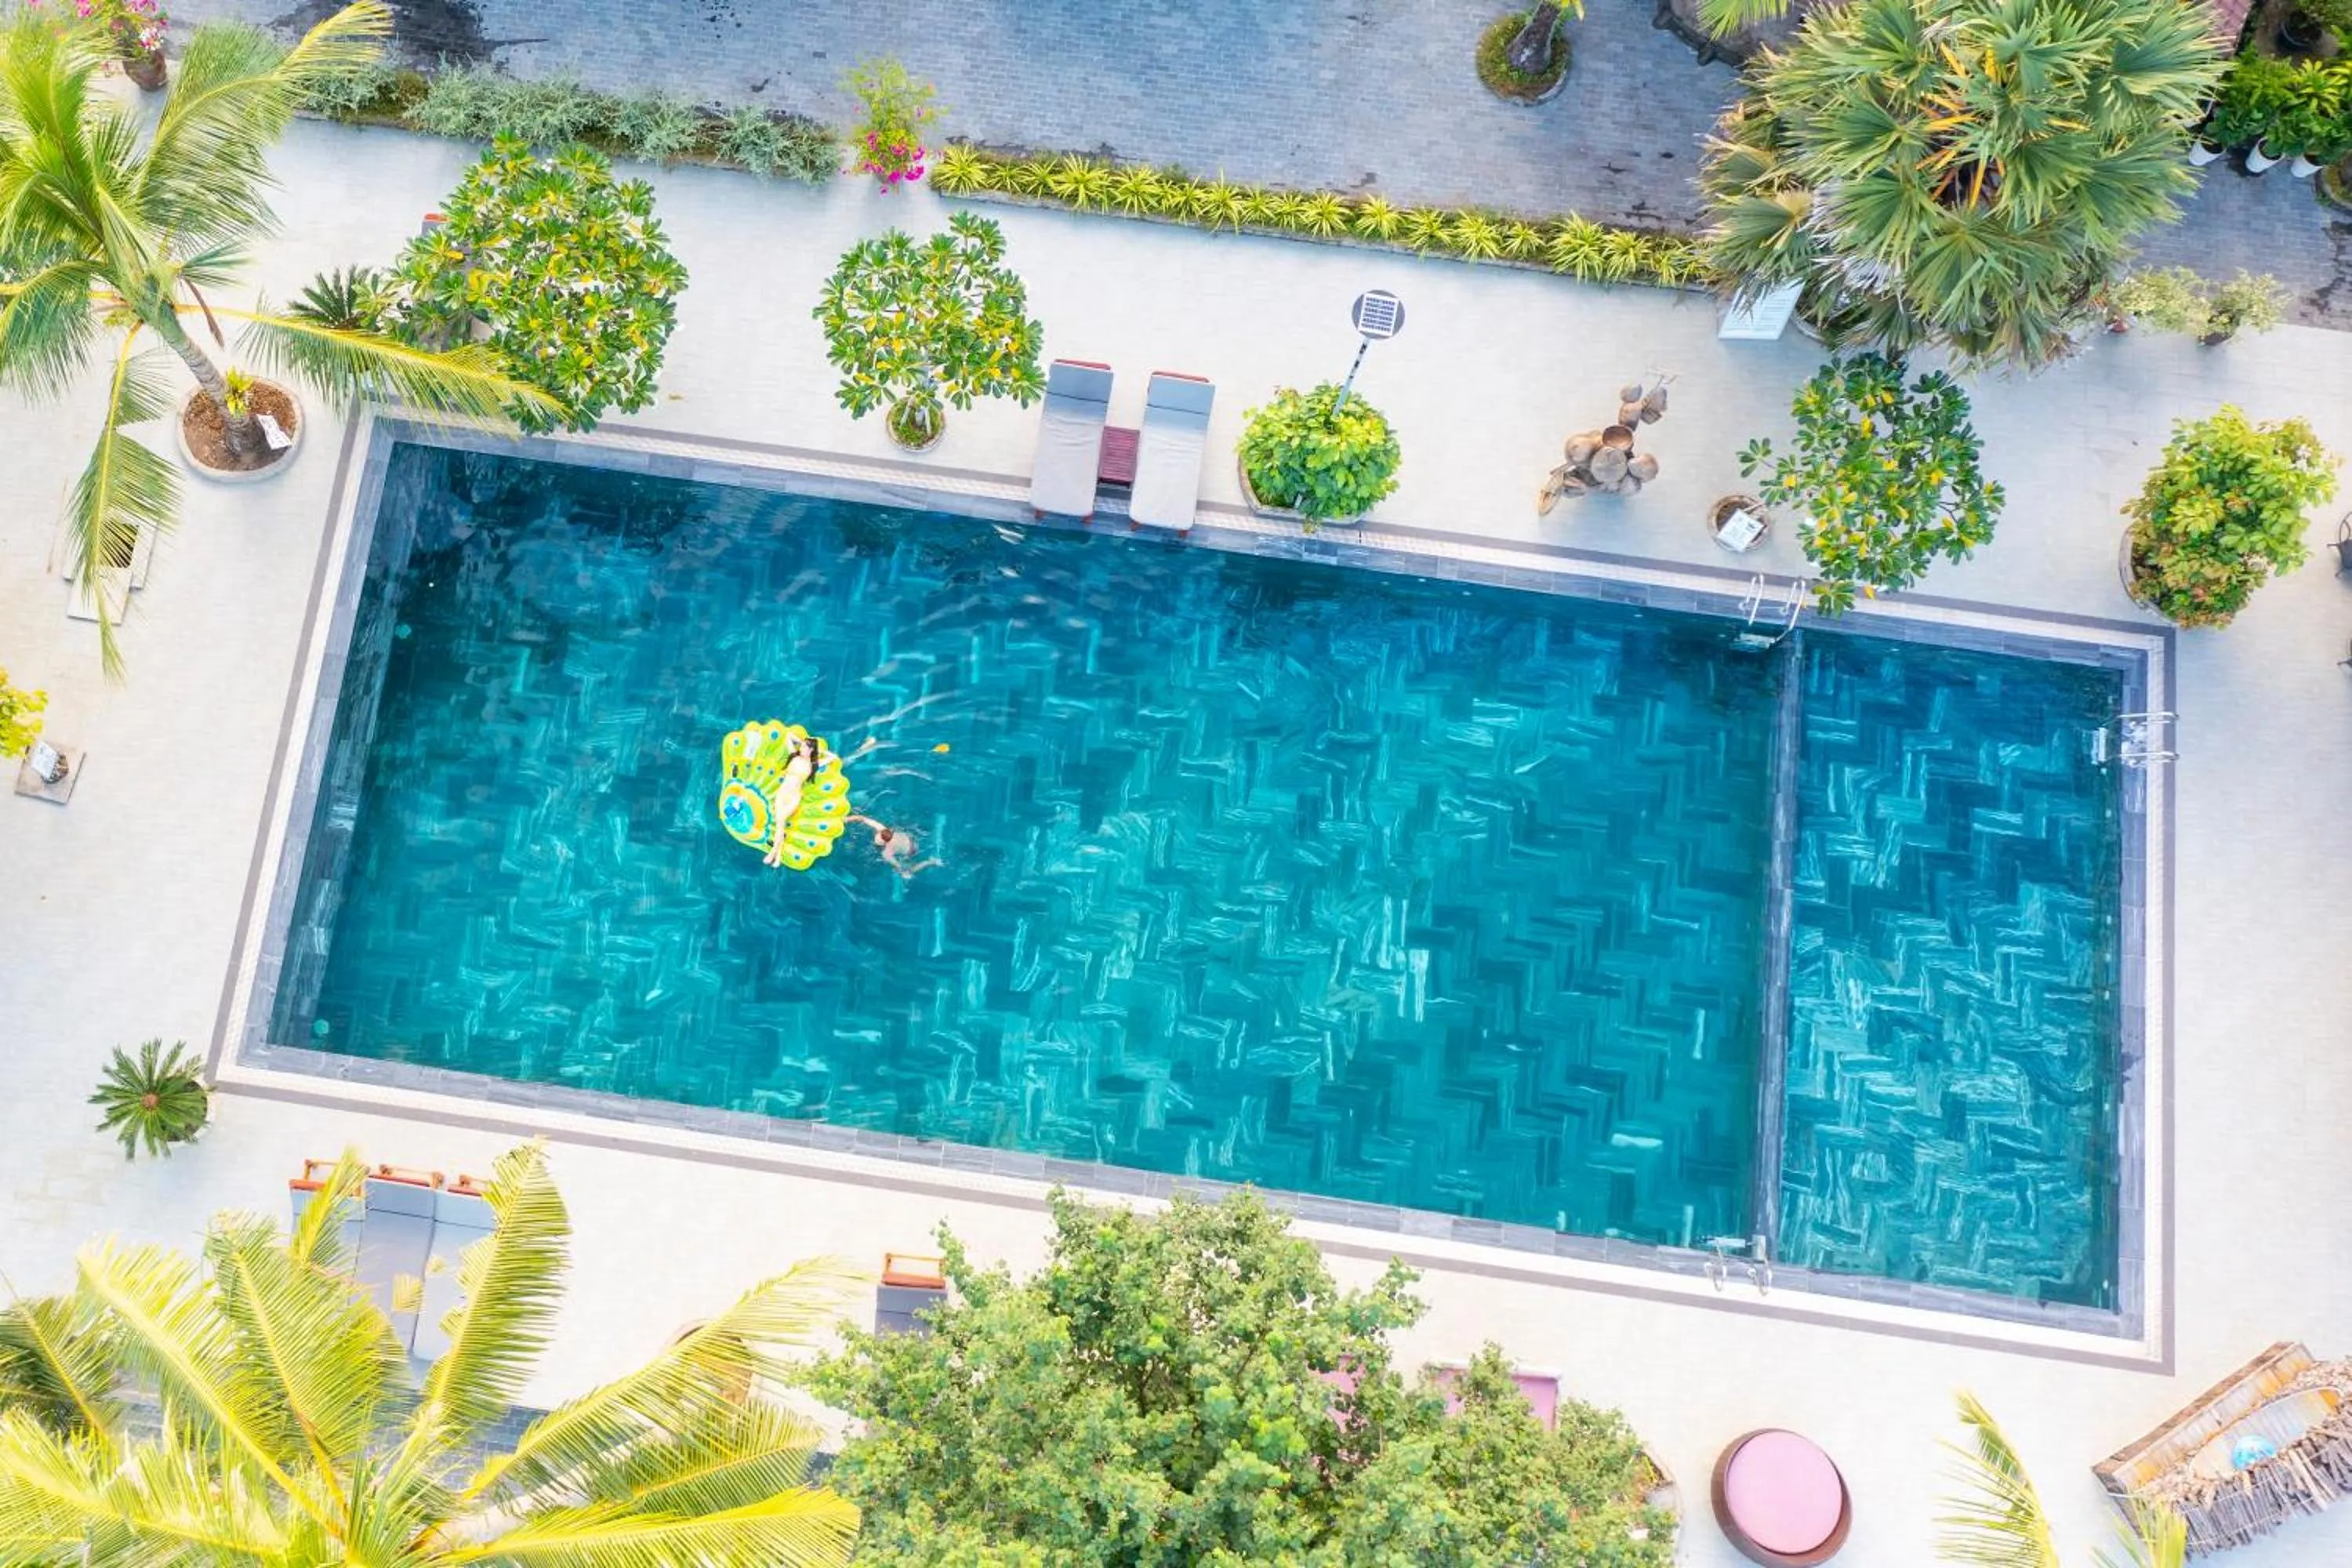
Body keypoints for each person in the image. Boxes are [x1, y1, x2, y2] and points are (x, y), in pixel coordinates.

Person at [763, 735, 826, 868]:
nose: (801, 748)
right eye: (801, 745)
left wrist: (820, 752)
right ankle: (778, 856)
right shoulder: (793, 755)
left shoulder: (814, 764)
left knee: (780, 822)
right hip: (782, 794)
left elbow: (833, 758)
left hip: (794, 797)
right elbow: (788, 736)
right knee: (781, 823)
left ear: (811, 750)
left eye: (804, 747)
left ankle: (773, 853)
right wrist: (801, 741)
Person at [848, 813, 941, 880]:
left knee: (909, 871)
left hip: (911, 851)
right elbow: (863, 818)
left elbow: (899, 866)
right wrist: (847, 819)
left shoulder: (886, 854)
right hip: (912, 838)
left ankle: (930, 862)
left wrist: (903, 873)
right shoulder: (883, 829)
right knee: (898, 828)